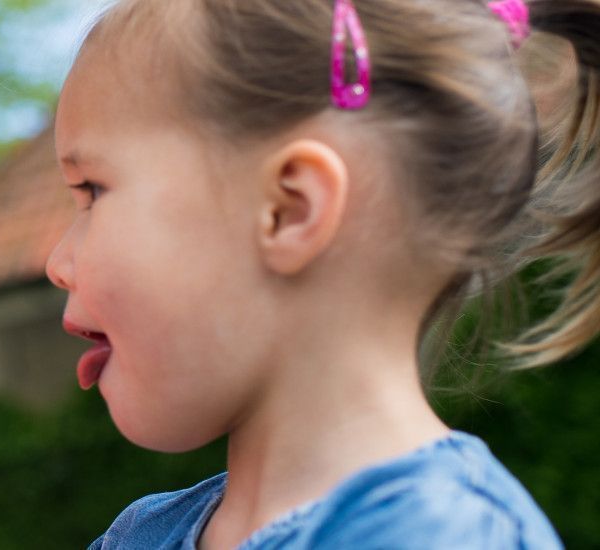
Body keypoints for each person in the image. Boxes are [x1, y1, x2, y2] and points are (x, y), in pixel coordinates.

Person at [46, 0, 598, 547]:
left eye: (92, 190)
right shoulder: (140, 534)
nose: (57, 264)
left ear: (290, 209)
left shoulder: (445, 534)